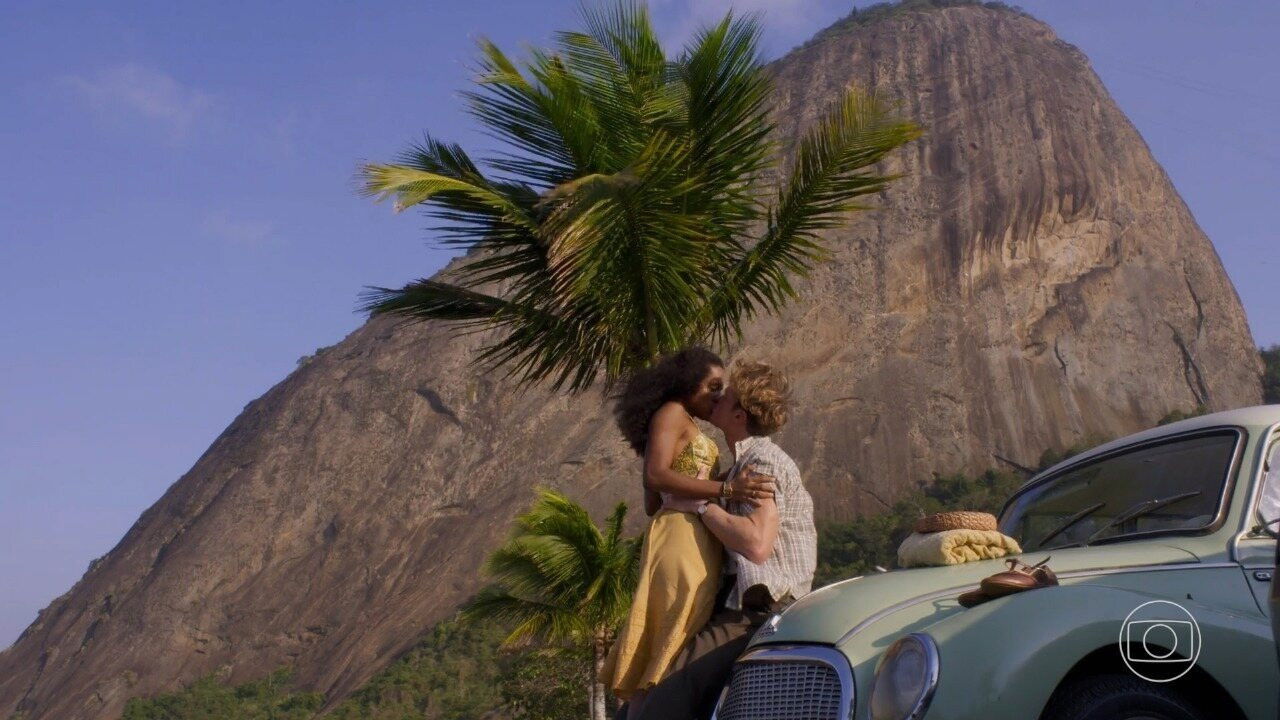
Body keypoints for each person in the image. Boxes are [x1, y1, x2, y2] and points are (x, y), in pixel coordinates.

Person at [633, 359, 817, 720]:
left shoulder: (761, 464)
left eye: (725, 395)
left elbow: (756, 545)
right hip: (738, 602)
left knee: (666, 699)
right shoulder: (739, 467)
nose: (716, 399)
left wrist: (702, 505)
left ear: (739, 415)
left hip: (759, 607)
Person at [601, 348, 776, 718]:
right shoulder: (671, 413)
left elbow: (657, 494)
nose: (717, 395)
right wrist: (726, 489)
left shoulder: (684, 422)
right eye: (712, 386)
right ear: (686, 384)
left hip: (695, 538)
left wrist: (718, 483)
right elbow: (655, 479)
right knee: (666, 646)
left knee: (670, 649)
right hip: (679, 541)